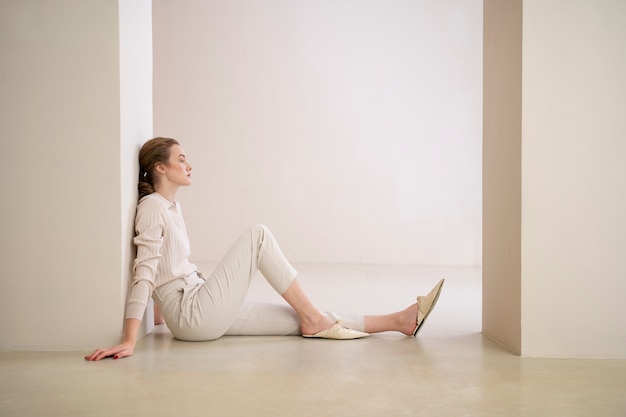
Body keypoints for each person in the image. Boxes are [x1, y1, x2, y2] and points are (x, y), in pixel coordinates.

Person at [85, 137, 444, 361]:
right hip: (194, 314)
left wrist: (160, 314)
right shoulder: (151, 209)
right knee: (258, 236)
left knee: (298, 320)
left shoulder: (171, 207)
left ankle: (400, 321)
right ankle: (314, 317)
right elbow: (144, 272)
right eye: (181, 159)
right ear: (160, 167)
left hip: (198, 305)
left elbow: (167, 267)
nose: (189, 164)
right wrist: (130, 339)